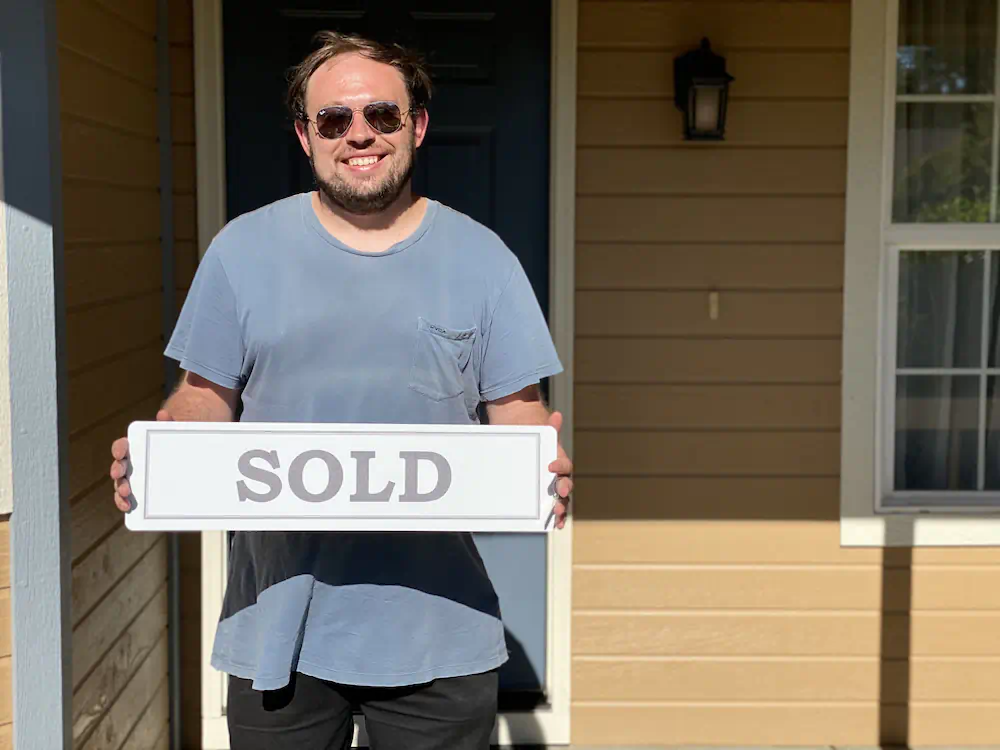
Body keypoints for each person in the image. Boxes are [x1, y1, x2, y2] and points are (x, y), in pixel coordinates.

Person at [108, 30, 573, 750]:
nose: (360, 134)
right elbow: (205, 395)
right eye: (334, 120)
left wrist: (540, 468)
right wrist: (165, 449)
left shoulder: (486, 261)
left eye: (382, 116)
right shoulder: (241, 251)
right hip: (277, 629)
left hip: (439, 633)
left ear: (416, 125)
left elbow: (519, 413)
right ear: (305, 135)